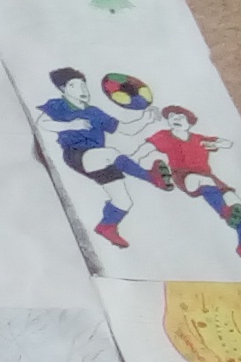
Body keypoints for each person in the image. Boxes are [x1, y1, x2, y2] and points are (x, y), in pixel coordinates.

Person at [38, 66, 156, 248]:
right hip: (77, 154)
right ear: (63, 89)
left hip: (100, 159)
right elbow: (43, 123)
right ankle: (151, 176)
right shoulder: (59, 106)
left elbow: (125, 129)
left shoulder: (95, 112)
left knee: (123, 202)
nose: (82, 90)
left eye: (83, 85)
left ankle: (106, 227)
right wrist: (70, 125)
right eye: (74, 85)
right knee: (110, 154)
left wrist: (146, 120)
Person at [144, 104, 241, 260]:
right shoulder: (165, 136)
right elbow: (147, 147)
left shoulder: (198, 139)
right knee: (200, 179)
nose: (176, 119)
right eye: (172, 117)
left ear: (189, 122)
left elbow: (227, 143)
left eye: (181, 117)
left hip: (210, 177)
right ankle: (226, 212)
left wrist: (216, 144)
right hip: (184, 176)